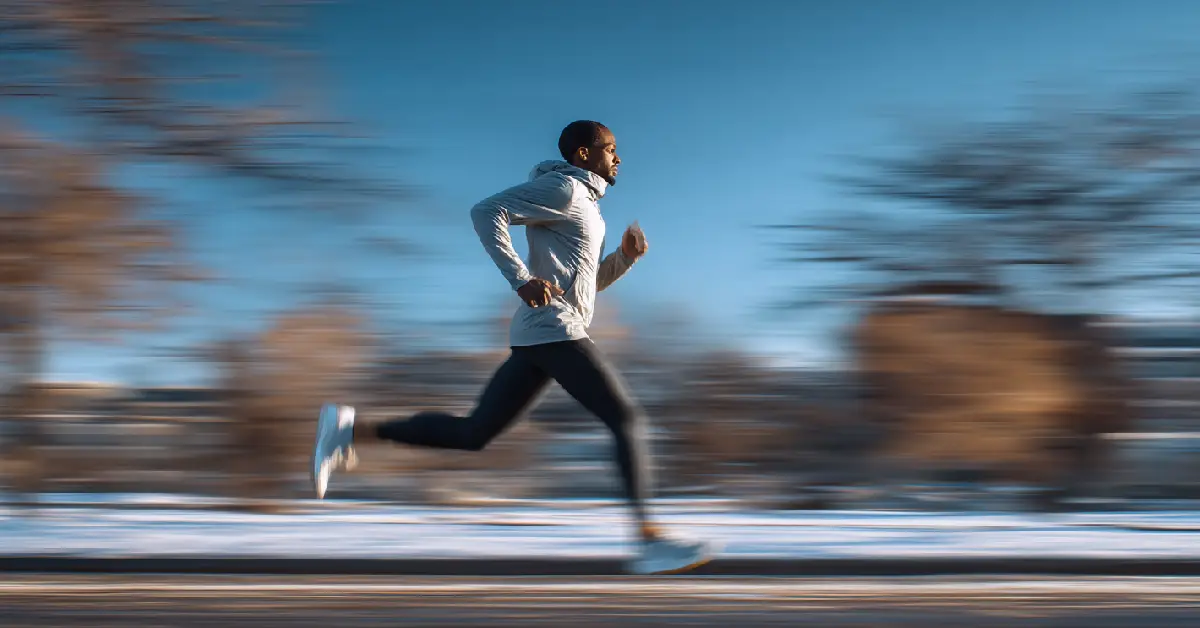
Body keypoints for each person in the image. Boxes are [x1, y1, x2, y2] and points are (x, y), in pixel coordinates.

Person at [310, 120, 714, 575]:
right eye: (610, 148)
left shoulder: (587, 206)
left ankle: (350, 431)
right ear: (583, 154)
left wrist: (624, 259)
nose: (618, 157)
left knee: (474, 434)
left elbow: (585, 287)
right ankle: (650, 541)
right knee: (626, 419)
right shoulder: (563, 189)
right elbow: (486, 212)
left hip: (545, 331)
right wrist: (521, 279)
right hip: (554, 328)